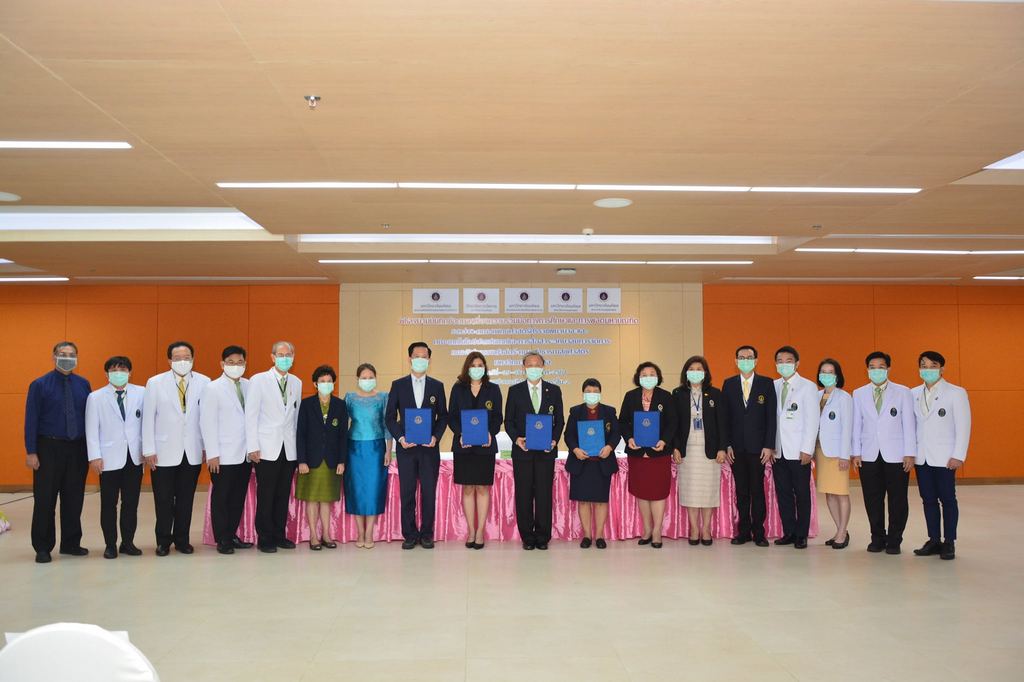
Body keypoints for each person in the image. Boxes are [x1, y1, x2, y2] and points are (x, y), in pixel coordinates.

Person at [24, 341, 91, 563]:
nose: (67, 358)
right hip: (48, 448)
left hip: (77, 448)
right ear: (53, 356)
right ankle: (43, 547)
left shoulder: (84, 385)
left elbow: (89, 420)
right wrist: (31, 451)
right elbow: (31, 420)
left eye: (72, 354)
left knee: (74, 498)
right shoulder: (39, 385)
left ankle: (71, 543)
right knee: (45, 499)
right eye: (63, 354)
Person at [143, 341, 210, 556]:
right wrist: (148, 450)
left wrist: (207, 447)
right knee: (163, 500)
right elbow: (148, 419)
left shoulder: (204, 382)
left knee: (185, 499)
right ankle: (163, 540)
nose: (183, 361)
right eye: (178, 358)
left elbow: (207, 419)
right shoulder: (155, 383)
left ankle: (182, 540)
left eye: (187, 357)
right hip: (162, 452)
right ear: (169, 360)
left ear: (193, 358)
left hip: (191, 451)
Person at [384, 342, 448, 550]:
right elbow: (390, 417)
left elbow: (443, 416)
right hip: (407, 449)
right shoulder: (398, 385)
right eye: (416, 356)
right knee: (408, 492)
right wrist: (401, 438)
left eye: (424, 356)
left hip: (429, 449)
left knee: (429, 493)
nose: (420, 359)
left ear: (429, 360)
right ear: (409, 359)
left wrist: (436, 437)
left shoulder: (437, 386)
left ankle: (427, 534)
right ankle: (410, 534)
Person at [851, 351, 916, 555]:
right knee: (872, 498)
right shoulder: (859, 393)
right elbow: (856, 425)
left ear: (888, 368)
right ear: (867, 370)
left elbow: (909, 424)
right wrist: (855, 452)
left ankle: (895, 540)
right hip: (868, 454)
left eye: (881, 367)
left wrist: (909, 453)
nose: (876, 370)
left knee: (898, 498)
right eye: (872, 367)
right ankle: (877, 538)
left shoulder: (903, 392)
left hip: (896, 454)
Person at [911, 351, 970, 561]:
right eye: (923, 365)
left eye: (932, 365)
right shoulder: (913, 393)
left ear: (942, 368)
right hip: (922, 456)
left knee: (947, 499)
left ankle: (949, 542)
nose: (928, 369)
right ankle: (934, 539)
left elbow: (963, 426)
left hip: (945, 457)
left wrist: (958, 454)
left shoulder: (956, 392)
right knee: (928, 499)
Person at [85, 356, 144, 559]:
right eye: (114, 369)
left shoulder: (142, 393)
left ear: (130, 372)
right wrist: (94, 456)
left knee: (131, 503)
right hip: (108, 459)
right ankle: (110, 544)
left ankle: (128, 542)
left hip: (134, 458)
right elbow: (91, 430)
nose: (119, 372)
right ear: (107, 373)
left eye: (123, 369)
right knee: (109, 504)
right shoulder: (95, 397)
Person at [245, 341, 302, 553]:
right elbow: (250, 415)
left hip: (289, 449)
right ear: (272, 357)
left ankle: (279, 534)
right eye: (280, 354)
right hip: (266, 447)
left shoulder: (296, 382)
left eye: (289, 354)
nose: (285, 358)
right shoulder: (258, 380)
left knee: (282, 494)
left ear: (294, 356)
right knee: (266, 494)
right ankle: (265, 537)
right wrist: (252, 446)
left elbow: (295, 417)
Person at [504, 351, 565, 551]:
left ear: (543, 366)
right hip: (523, 452)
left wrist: (554, 440)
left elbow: (560, 421)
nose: (533, 368)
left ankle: (543, 536)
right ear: (524, 368)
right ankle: (527, 536)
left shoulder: (554, 391)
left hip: (546, 453)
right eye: (529, 365)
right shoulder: (515, 391)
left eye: (537, 364)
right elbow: (509, 421)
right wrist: (516, 439)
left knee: (544, 494)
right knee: (523, 494)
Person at [721, 345, 776, 547]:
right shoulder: (728, 384)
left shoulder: (766, 384)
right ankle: (743, 531)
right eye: (741, 357)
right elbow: (725, 418)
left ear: (756, 360)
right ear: (736, 361)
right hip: (736, 449)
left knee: (757, 491)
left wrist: (769, 445)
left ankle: (759, 532)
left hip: (758, 449)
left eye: (749, 357)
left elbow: (771, 418)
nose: (745, 360)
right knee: (742, 491)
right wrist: (726, 444)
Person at [199, 345, 252, 555]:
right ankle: (222, 538)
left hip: (245, 454)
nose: (236, 366)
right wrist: (212, 453)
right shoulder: (212, 388)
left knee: (238, 498)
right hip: (221, 456)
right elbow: (207, 422)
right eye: (231, 362)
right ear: (222, 364)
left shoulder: (249, 385)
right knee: (221, 498)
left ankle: (231, 534)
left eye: (240, 363)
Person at [619, 361, 677, 549]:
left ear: (658, 376)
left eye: (652, 373)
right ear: (638, 377)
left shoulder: (666, 397)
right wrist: (629, 438)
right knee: (641, 492)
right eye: (644, 374)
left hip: (659, 453)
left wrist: (665, 440)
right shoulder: (630, 396)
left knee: (658, 493)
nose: (648, 377)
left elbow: (672, 423)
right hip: (636, 452)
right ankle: (647, 529)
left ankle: (658, 531)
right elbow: (623, 422)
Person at [447, 351, 503, 549]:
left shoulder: (493, 389)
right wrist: (461, 433)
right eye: (473, 365)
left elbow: (498, 417)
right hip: (463, 446)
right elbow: (451, 416)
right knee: (468, 488)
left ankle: (480, 531)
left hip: (485, 447)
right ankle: (471, 530)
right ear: (467, 367)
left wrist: (490, 432)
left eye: (480, 365)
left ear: (485, 368)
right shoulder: (458, 389)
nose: (477, 368)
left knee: (482, 488)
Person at [672, 356, 728, 547]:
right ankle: (694, 528)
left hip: (710, 450)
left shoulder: (715, 393)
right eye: (692, 368)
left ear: (705, 373)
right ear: (686, 372)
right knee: (691, 491)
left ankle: (706, 529)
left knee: (708, 491)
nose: (696, 371)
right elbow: (674, 424)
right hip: (687, 450)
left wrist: (722, 448)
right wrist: (675, 447)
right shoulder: (678, 394)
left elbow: (723, 423)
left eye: (699, 368)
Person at [771, 346, 819, 549]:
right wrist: (771, 446)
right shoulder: (772, 386)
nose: (784, 364)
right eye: (780, 361)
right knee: (783, 492)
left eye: (788, 360)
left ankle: (802, 534)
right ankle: (789, 531)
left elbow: (812, 420)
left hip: (800, 451)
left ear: (797, 363)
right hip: (778, 450)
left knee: (801, 492)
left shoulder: (808, 387)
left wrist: (808, 449)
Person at [296, 365, 348, 550]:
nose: (326, 384)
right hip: (310, 461)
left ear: (334, 383)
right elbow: (300, 434)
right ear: (315, 384)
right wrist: (301, 460)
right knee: (311, 499)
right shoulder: (307, 404)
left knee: (326, 500)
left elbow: (343, 435)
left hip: (332, 461)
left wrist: (342, 460)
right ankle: (313, 536)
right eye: (322, 381)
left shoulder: (340, 405)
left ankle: (326, 534)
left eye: (329, 381)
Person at [564, 378, 620, 549]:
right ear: (583, 394)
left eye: (595, 392)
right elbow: (569, 435)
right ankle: (587, 535)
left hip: (601, 462)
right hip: (582, 463)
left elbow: (616, 433)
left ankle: (600, 535)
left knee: (601, 501)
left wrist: (610, 447)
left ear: (600, 393)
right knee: (583, 501)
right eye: (589, 392)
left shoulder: (609, 411)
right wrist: (575, 450)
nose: (592, 395)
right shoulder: (575, 412)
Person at [344, 363, 391, 549]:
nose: (367, 380)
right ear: (357, 379)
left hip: (376, 448)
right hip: (353, 448)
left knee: (373, 490)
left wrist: (388, 450)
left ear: (376, 377)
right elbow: (341, 425)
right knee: (355, 490)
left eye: (370, 377)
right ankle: (359, 532)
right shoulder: (349, 398)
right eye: (363, 377)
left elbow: (387, 425)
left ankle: (369, 532)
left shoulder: (383, 397)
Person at [815, 358, 853, 549]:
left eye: (830, 372)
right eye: (823, 371)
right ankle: (841, 531)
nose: (826, 375)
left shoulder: (844, 398)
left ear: (837, 376)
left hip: (837, 453)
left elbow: (848, 428)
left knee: (841, 493)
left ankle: (842, 531)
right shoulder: (816, 395)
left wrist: (846, 455)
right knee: (829, 493)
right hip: (821, 451)